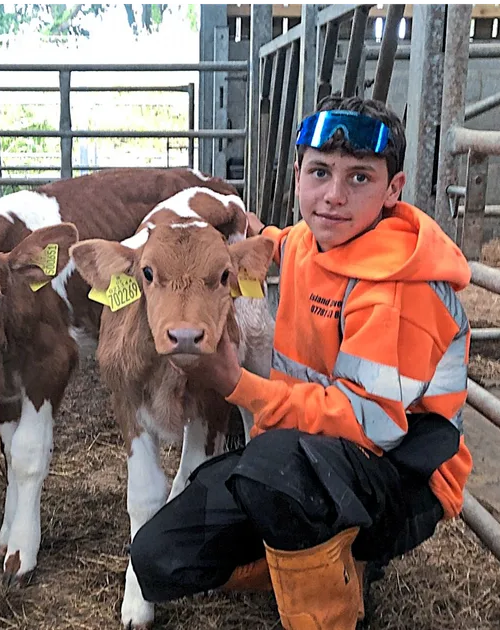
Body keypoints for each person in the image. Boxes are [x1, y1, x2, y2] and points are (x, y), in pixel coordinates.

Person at [128, 95, 474, 629]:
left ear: (393, 191)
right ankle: (305, 557)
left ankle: (336, 605)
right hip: (312, 451)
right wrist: (231, 232)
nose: (334, 196)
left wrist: (237, 384)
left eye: (360, 178)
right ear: (297, 177)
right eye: (320, 172)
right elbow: (268, 243)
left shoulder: (403, 289)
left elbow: (371, 426)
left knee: (270, 466)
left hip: (403, 472)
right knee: (161, 552)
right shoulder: (307, 243)